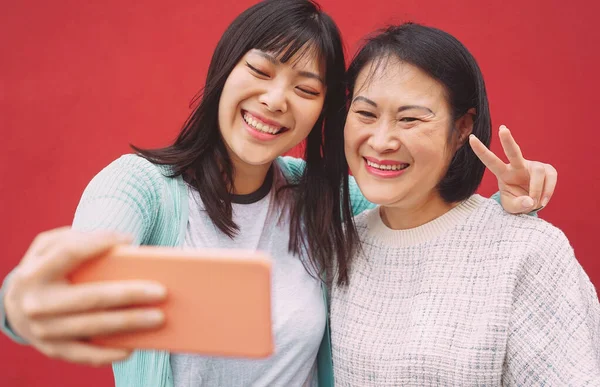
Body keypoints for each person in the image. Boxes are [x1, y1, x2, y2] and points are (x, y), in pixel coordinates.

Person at [0, 1, 557, 386]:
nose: (275, 100)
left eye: (305, 89)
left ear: (324, 111)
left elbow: (417, 202)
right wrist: (19, 306)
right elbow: (75, 274)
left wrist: (500, 204)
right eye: (261, 71)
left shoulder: (330, 199)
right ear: (225, 70)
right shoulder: (141, 187)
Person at [330, 22, 599, 386]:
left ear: (461, 129)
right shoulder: (337, 245)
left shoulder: (528, 252)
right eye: (365, 114)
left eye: (410, 119)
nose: (381, 141)